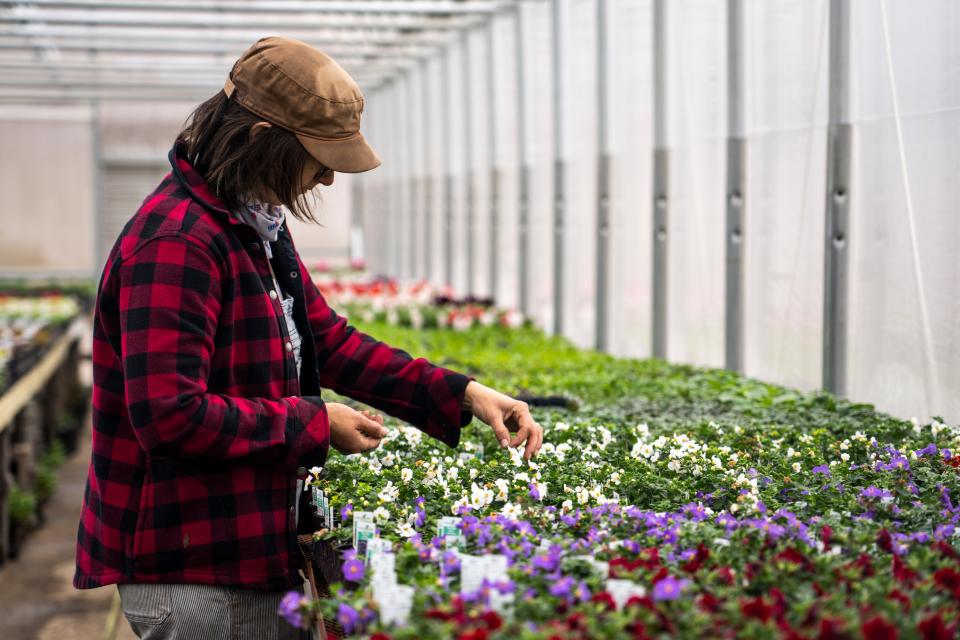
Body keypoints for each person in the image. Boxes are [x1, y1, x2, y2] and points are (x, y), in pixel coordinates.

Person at [74, 36, 543, 639]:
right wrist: (314, 425)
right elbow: (168, 415)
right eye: (318, 155)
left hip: (237, 551)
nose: (325, 176)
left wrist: (463, 394)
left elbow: (327, 340)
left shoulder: (253, 222)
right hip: (195, 567)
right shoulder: (180, 243)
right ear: (259, 139)